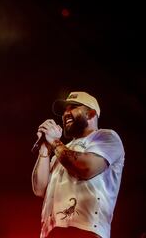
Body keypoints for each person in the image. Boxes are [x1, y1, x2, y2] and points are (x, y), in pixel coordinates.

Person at [32, 91, 125, 238]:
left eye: (73, 108)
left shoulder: (106, 137)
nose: (66, 113)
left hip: (85, 231)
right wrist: (45, 148)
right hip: (52, 232)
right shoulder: (61, 151)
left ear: (91, 114)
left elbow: (86, 168)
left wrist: (55, 142)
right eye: (64, 111)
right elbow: (39, 189)